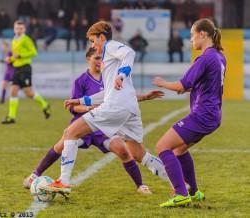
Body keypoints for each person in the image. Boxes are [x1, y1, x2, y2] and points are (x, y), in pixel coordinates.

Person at [44, 21, 168, 194]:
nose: (92, 45)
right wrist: (79, 101)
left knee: (71, 133)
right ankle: (180, 185)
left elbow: (130, 53)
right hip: (130, 108)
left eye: (93, 41)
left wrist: (122, 75)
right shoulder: (109, 61)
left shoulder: (110, 46)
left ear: (102, 37)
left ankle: (63, 181)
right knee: (139, 154)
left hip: (116, 107)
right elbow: (107, 93)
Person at [152, 18, 226, 207]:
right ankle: (193, 192)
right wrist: (185, 88)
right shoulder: (219, 55)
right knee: (179, 150)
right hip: (213, 114)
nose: (191, 40)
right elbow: (202, 84)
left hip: (203, 114)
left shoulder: (205, 58)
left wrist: (162, 83)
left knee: (162, 147)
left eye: (193, 35)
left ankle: (180, 193)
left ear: (203, 34)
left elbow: (182, 85)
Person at [1, 20, 50, 124]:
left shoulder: (26, 39)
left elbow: (34, 52)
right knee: (13, 91)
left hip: (25, 68)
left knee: (29, 93)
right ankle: (11, 117)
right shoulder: (14, 40)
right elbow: (15, 56)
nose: (18, 30)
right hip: (17, 68)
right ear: (14, 29)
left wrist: (20, 56)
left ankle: (45, 104)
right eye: (17, 28)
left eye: (21, 28)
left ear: (24, 29)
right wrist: (9, 59)